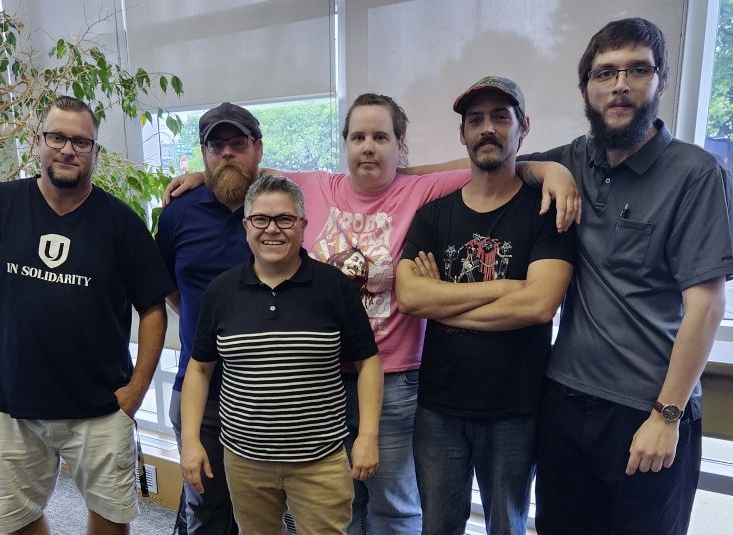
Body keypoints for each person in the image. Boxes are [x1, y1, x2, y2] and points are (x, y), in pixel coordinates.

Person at [166, 94, 580, 535]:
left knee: (393, 504)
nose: (368, 147)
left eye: (381, 137)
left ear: (400, 145)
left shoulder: (421, 190)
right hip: (318, 379)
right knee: (333, 500)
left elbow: (494, 166)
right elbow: (244, 173)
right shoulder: (313, 186)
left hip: (392, 378)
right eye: (358, 137)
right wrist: (198, 174)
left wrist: (548, 169)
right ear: (343, 144)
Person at [520, 18, 733, 534]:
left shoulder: (697, 174)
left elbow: (706, 306)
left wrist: (667, 416)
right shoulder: (576, 157)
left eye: (638, 70)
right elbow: (503, 165)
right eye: (605, 73)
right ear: (586, 90)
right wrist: (546, 170)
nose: (620, 85)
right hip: (565, 403)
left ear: (660, 82)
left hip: (645, 413)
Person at [0, 95, 175, 535]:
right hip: (12, 403)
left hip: (101, 406)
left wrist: (137, 390)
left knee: (112, 517)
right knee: (14, 520)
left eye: (81, 142)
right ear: (39, 142)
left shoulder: (121, 223)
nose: (68, 149)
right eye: (58, 137)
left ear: (95, 153)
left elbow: (152, 308)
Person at [396, 77, 575, 535]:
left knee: (507, 527)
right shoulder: (434, 214)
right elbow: (412, 296)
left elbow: (538, 306)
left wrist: (443, 303)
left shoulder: (544, 210)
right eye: (475, 120)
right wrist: (503, 288)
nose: (487, 129)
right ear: (463, 135)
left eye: (500, 117)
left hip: (515, 409)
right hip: (439, 408)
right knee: (436, 527)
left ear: (523, 127)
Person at [180, 175, 383, 535]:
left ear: (303, 225)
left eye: (284, 219)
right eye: (261, 219)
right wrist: (192, 441)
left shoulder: (334, 286)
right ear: (246, 227)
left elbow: (368, 362)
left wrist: (366, 436)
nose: (272, 230)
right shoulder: (221, 291)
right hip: (245, 462)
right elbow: (199, 369)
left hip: (319, 461)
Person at [157, 102, 264, 534]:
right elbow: (166, 286)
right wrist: (207, 321)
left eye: (237, 144)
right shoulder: (178, 213)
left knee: (258, 512)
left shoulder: (278, 209)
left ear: (257, 148)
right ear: (203, 153)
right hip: (198, 390)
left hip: (265, 395)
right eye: (215, 146)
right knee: (204, 509)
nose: (226, 154)